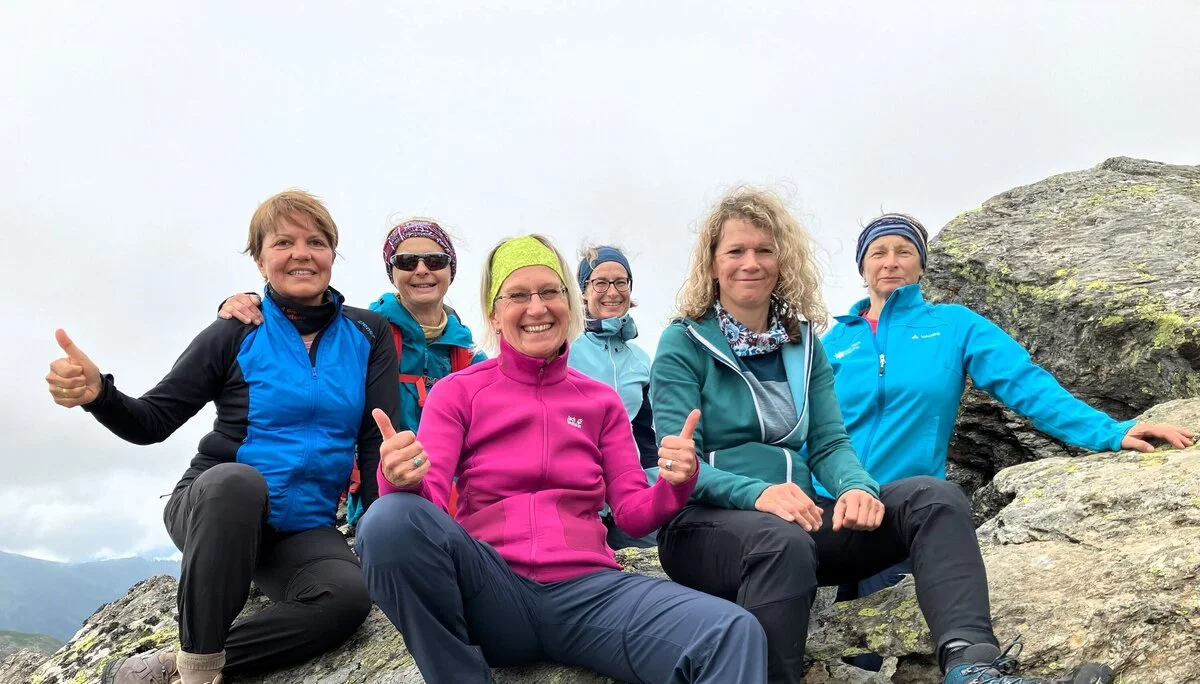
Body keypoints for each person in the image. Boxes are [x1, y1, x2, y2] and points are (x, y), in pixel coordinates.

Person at [649, 187, 1113, 684]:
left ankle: (972, 666)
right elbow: (681, 468)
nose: (751, 263)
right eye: (735, 251)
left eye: (764, 250)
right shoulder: (684, 341)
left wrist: (855, 487)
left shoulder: (804, 346)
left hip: (801, 518)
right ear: (712, 263)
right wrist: (759, 493)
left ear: (783, 260)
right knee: (781, 542)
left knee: (934, 497)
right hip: (704, 526)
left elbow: (829, 442)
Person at [355, 234, 768, 684]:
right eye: (517, 295)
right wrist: (399, 478)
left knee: (731, 631)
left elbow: (632, 515)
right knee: (387, 520)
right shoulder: (459, 392)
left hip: (589, 593)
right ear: (494, 312)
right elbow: (428, 503)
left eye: (550, 292)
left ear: (569, 305)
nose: (536, 308)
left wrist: (676, 482)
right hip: (491, 590)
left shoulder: (601, 402)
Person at [46, 190, 400, 684]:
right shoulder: (235, 330)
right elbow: (152, 421)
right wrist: (98, 395)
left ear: (332, 256)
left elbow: (376, 439)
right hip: (213, 506)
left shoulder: (370, 334)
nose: (302, 253)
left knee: (345, 600)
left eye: (317, 242)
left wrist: (385, 529)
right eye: (284, 242)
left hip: (300, 528)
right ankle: (198, 674)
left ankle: (176, 667)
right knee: (238, 482)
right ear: (259, 259)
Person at [820, 212, 1195, 668]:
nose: (891, 262)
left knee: (879, 658)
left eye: (905, 251)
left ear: (921, 266)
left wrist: (1110, 432)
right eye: (878, 252)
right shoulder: (833, 342)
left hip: (905, 513)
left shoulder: (954, 325)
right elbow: (803, 429)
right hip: (828, 508)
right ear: (863, 268)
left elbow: (1023, 382)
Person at [218, 218, 486, 523]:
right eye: (407, 261)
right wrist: (243, 305)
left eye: (435, 261)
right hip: (373, 500)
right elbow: (296, 340)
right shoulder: (364, 336)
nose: (422, 270)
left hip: (453, 504)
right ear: (392, 272)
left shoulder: (471, 357)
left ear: (451, 269)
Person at [569, 244, 657, 549]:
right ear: (582, 291)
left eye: (621, 282)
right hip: (576, 492)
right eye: (600, 282)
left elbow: (644, 432)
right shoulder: (564, 348)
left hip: (629, 493)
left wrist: (655, 484)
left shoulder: (641, 360)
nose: (612, 291)